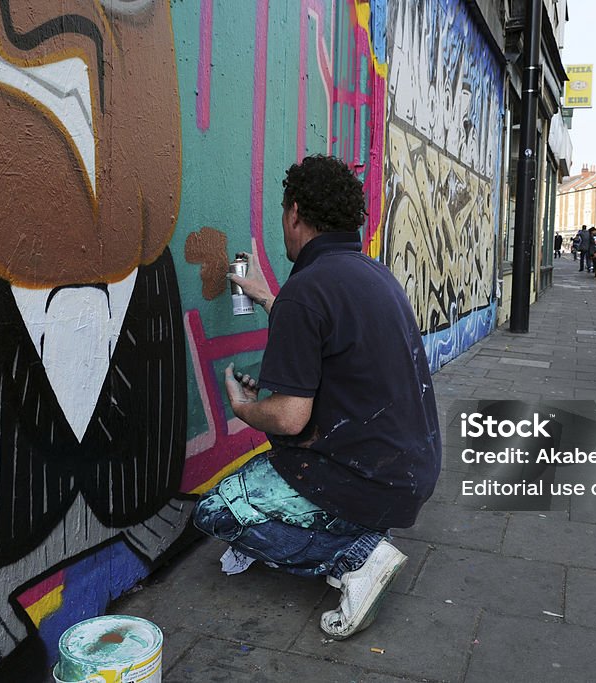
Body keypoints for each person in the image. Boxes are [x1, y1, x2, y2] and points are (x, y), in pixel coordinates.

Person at [192, 155, 441, 640]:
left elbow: (287, 417)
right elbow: (330, 338)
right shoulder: (373, 275)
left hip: (364, 477)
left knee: (215, 511)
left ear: (295, 213)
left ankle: (357, 556)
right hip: (407, 473)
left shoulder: (308, 291)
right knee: (272, 473)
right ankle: (362, 532)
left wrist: (243, 409)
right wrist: (272, 301)